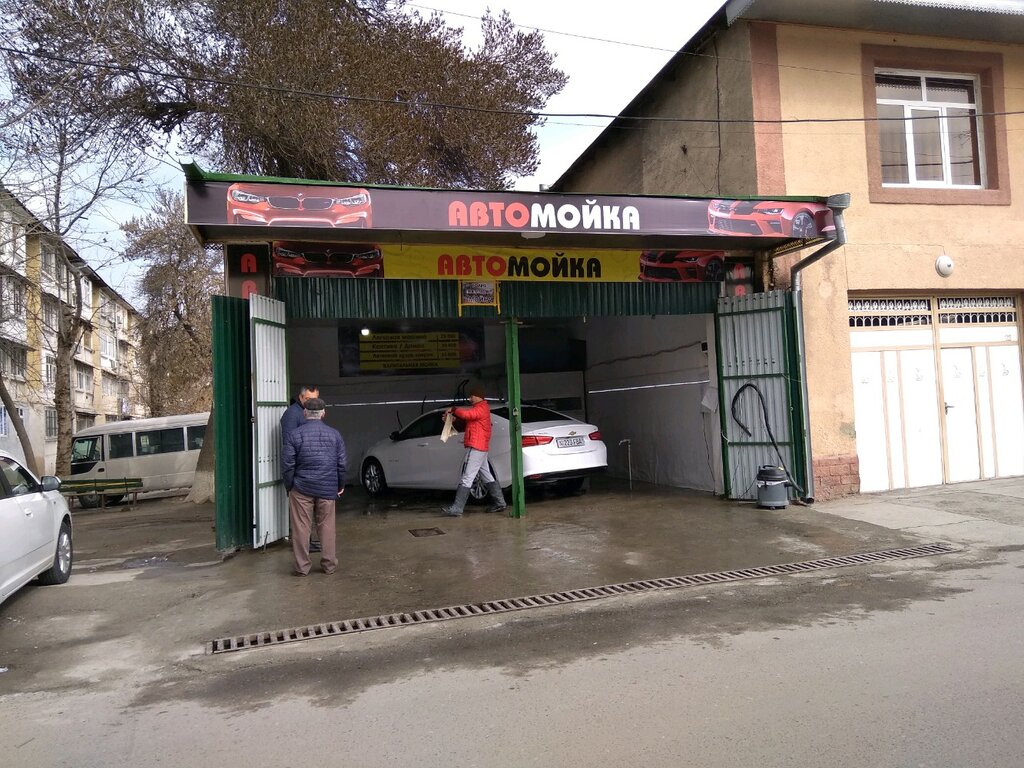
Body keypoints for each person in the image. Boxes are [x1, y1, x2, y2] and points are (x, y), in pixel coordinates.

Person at [281, 398, 347, 576]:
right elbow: (341, 464)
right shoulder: (335, 435)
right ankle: (329, 565)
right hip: (327, 488)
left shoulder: (294, 435)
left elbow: (287, 464)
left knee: (301, 527)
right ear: (323, 413)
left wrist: (290, 485)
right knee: (327, 526)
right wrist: (340, 485)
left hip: (301, 487)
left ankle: (302, 567)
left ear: (304, 413)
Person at [442, 383, 506, 517]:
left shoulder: (481, 408)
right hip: (481, 447)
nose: (470, 399)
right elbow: (469, 421)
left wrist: (453, 409)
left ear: (478, 396)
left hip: (477, 446)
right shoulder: (481, 409)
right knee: (487, 475)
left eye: (471, 396)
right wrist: (453, 420)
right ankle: (500, 503)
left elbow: (468, 415)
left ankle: (457, 508)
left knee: (467, 476)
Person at [281, 385, 322, 552]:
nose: (313, 403)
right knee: (301, 515)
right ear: (300, 397)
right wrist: (290, 479)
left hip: (311, 469)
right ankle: (304, 545)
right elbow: (289, 446)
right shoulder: (292, 415)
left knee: (309, 512)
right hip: (300, 470)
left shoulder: (310, 413)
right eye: (309, 399)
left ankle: (308, 542)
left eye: (315, 399)